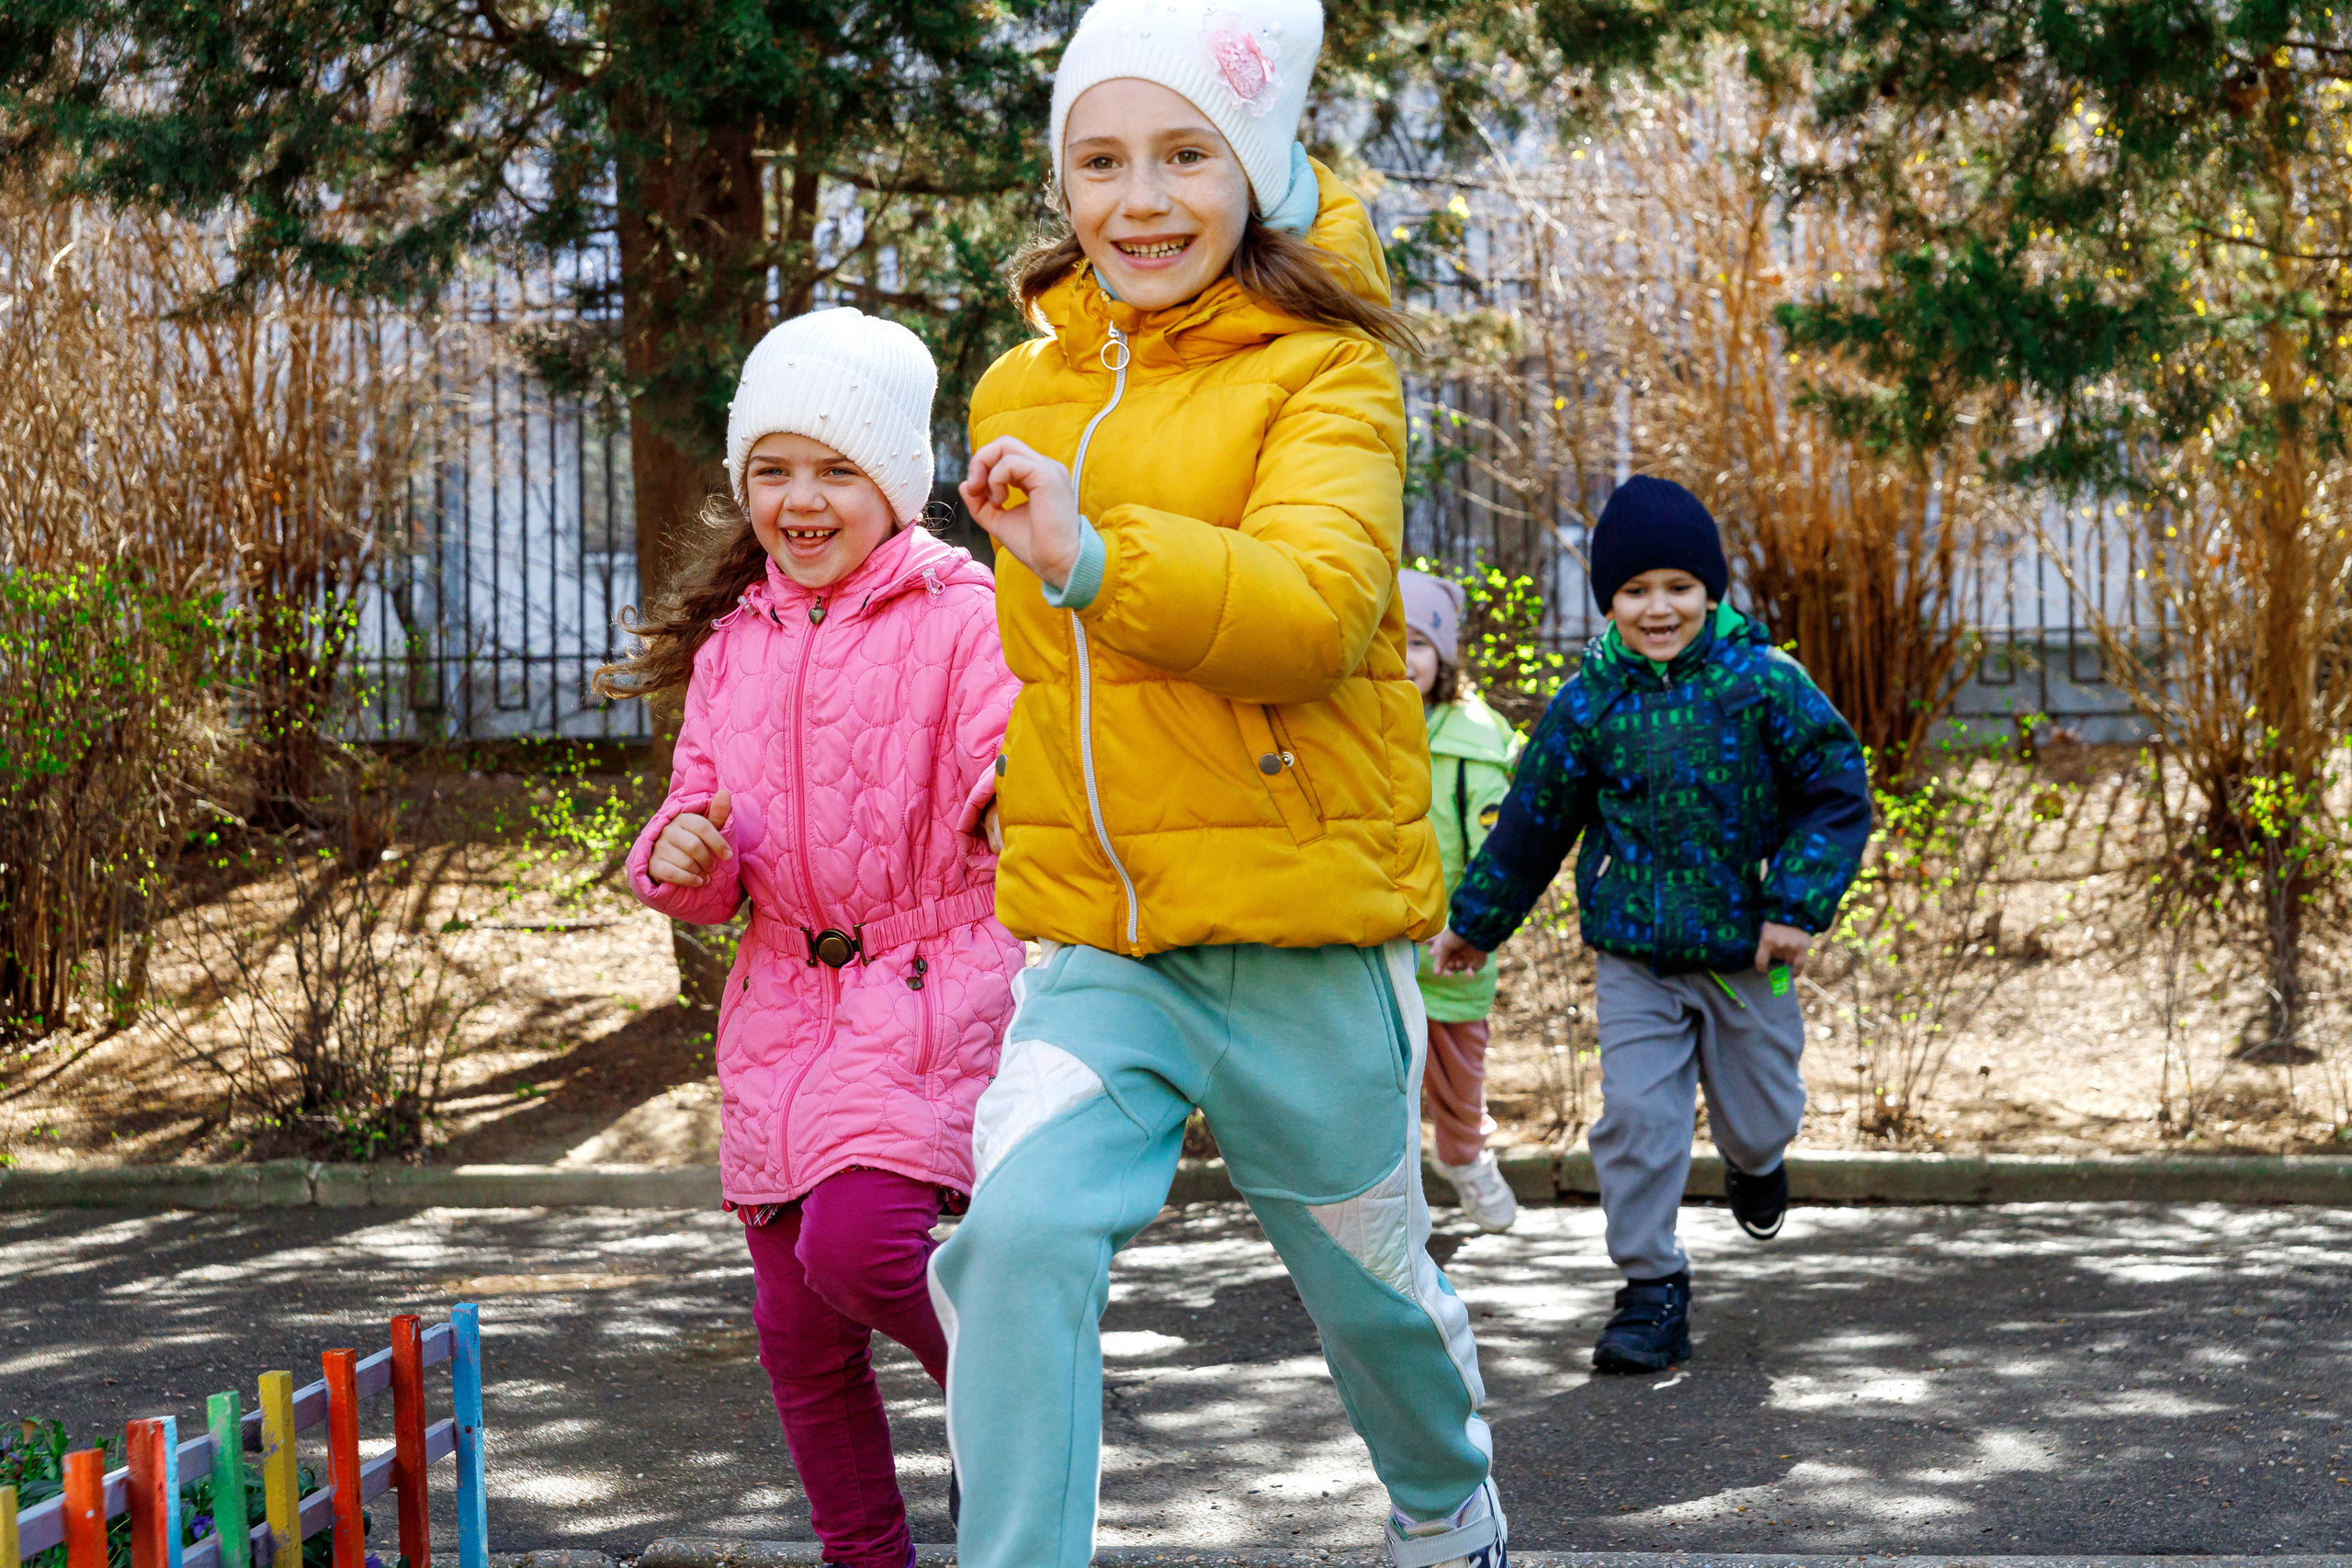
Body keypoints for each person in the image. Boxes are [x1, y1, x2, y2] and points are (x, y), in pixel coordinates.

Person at [924, 0, 1509, 1562]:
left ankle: (1451, 1514)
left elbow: (1316, 617)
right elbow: (1060, 665)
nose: (1141, 199)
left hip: (1302, 935)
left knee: (1377, 1309)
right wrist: (1023, 763)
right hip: (1106, 945)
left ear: (1253, 168)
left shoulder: (1330, 370)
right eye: (1100, 160)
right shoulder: (1014, 393)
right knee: (1017, 1240)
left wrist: (1099, 554)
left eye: (1186, 153)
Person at [598, 308, 1023, 1568]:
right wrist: (687, 850)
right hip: (785, 1003)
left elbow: (1011, 753)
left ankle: (1018, 1389)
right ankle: (867, 1553)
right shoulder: (738, 644)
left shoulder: (963, 612)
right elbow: (705, 819)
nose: (802, 498)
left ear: (895, 481)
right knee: (793, 1322)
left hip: (935, 977)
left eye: (837, 469)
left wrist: (1010, 794)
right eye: (774, 468)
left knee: (864, 1242)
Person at [1430, 476, 1871, 1373]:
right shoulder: (1589, 703)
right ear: (1608, 603)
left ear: (1710, 591)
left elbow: (1834, 791)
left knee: (1758, 1117)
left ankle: (1755, 1164)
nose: (1657, 608)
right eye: (1633, 591)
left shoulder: (1762, 683)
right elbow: (1531, 823)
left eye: (1676, 587)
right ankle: (1649, 1287)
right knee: (1635, 1116)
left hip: (1748, 952)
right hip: (1633, 957)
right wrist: (1475, 923)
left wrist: (1793, 907)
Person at [1399, 569, 1523, 1233]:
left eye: (1419, 642)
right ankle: (1392, 1207)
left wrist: (1474, 924)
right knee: (1380, 1093)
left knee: (1456, 1078)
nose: (1403, 657)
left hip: (1449, 950)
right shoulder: (1350, 726)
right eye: (1389, 639)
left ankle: (1466, 1158)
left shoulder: (1474, 739)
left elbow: (1496, 846)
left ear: (1444, 656)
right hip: (1371, 949)